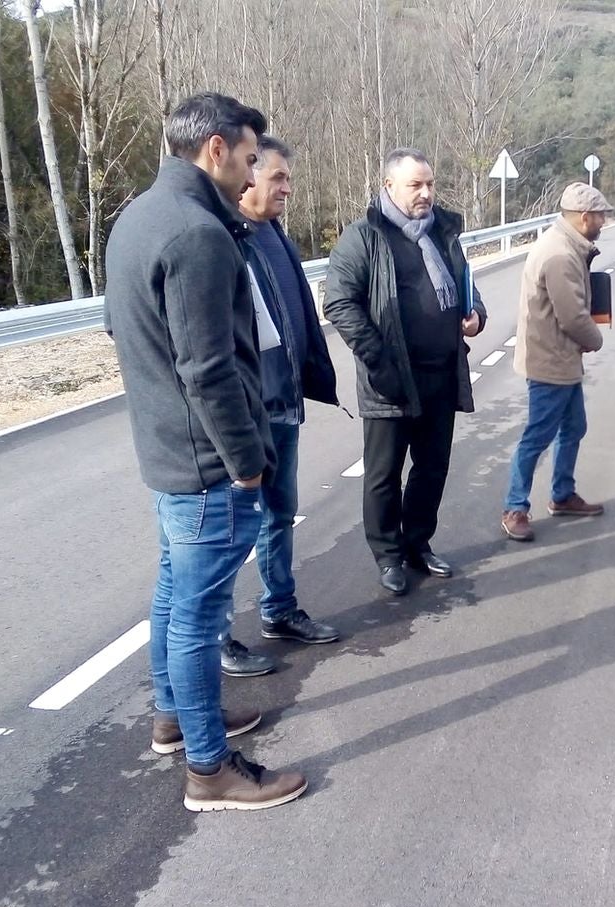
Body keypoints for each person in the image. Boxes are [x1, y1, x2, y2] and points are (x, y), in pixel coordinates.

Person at [104, 92, 307, 811]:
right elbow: (209, 368)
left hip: (166, 450)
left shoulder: (136, 216)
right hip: (206, 462)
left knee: (172, 591)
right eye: (251, 158)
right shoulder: (199, 233)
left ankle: (175, 718)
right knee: (196, 613)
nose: (255, 173)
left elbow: (119, 331)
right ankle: (209, 768)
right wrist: (248, 459)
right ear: (216, 149)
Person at [324, 148, 486, 597]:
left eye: (430, 184)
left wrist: (477, 315)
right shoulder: (364, 238)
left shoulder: (443, 235)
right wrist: (379, 361)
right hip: (391, 381)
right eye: (416, 185)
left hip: (441, 374)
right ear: (390, 187)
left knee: (432, 468)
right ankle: (388, 556)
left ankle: (418, 544)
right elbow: (339, 302)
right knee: (383, 474)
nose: (427, 193)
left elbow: (466, 285)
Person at [214, 134, 341, 678]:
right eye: (277, 177)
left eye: (288, 177)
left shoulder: (273, 236)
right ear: (247, 179)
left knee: (278, 516)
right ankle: (217, 639)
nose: (287, 187)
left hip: (283, 403)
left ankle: (279, 610)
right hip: (246, 413)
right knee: (228, 530)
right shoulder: (223, 240)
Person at [501, 183, 611, 543]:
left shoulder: (564, 243)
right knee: (537, 435)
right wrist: (596, 339)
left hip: (558, 358)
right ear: (583, 218)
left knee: (574, 427)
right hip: (550, 361)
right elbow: (573, 317)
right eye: (600, 216)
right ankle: (515, 507)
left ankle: (562, 494)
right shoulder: (561, 255)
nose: (603, 222)